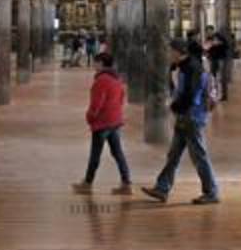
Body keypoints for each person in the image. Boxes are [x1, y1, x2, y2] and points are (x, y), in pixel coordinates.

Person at [140, 40, 219, 205]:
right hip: (185, 116)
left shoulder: (193, 68)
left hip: (192, 117)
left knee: (199, 155)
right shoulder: (184, 67)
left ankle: (211, 192)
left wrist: (175, 107)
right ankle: (162, 188)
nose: (168, 55)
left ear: (178, 52)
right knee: (173, 155)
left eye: (170, 51)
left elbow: (191, 95)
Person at [72, 52, 132, 195]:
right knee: (118, 153)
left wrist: (90, 117)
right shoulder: (116, 78)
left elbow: (96, 104)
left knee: (95, 154)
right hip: (115, 121)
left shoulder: (101, 80)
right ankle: (126, 183)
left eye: (96, 62)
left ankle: (87, 183)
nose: (94, 65)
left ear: (101, 64)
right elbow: (121, 99)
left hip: (103, 123)